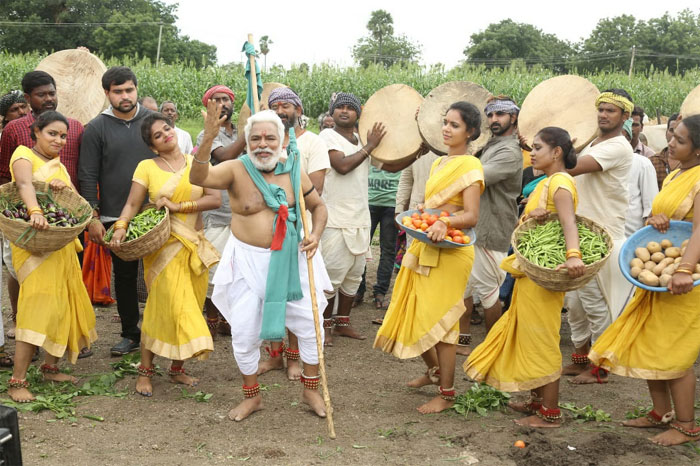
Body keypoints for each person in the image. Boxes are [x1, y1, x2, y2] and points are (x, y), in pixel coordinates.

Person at [190, 104, 331, 422]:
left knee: (311, 326)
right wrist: (209, 137)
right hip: (247, 263)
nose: (262, 144)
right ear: (247, 141)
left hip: (294, 260)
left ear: (282, 141)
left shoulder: (294, 170)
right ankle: (252, 396)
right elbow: (199, 176)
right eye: (255, 138)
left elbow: (318, 207)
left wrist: (317, 234)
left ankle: (310, 389)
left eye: (270, 138)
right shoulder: (235, 169)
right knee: (243, 332)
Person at [589, 114, 700, 446]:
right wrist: (658, 219)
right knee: (651, 343)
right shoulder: (677, 174)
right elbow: (667, 217)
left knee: (674, 353)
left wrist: (683, 269)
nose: (671, 143)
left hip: (684, 279)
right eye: (671, 136)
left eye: (680, 140)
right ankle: (659, 412)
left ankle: (686, 425)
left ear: (698, 151)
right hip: (660, 277)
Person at [465, 127, 584, 428]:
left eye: (539, 147)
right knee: (531, 337)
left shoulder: (559, 182)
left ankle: (550, 412)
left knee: (542, 339)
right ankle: (536, 400)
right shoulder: (545, 183)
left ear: (556, 152)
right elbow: (552, 224)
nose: (532, 153)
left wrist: (573, 256)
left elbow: (569, 224)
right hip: (530, 273)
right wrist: (532, 216)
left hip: (545, 277)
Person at [374, 101, 484, 414]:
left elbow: (472, 215)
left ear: (470, 132)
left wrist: (443, 221)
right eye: (445, 123)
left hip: (451, 251)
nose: (447, 129)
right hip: (426, 243)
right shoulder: (438, 163)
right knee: (412, 309)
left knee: (443, 322)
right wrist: (425, 214)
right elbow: (435, 207)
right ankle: (435, 372)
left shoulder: (471, 166)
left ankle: (447, 394)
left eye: (455, 125)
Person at [109, 113, 220, 396]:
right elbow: (133, 203)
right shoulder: (146, 166)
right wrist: (121, 227)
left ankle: (176, 368)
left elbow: (214, 199)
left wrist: (178, 206)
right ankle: (145, 371)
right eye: (158, 135)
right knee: (162, 307)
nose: (166, 135)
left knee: (192, 304)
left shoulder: (197, 164)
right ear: (153, 146)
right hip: (162, 248)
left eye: (167, 129)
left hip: (193, 245)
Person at [6, 111, 96, 403]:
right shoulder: (22, 155)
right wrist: (35, 211)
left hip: (60, 244)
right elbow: (24, 185)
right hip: (33, 244)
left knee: (60, 306)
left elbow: (70, 203)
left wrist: (62, 188)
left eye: (62, 136)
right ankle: (17, 380)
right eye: (52, 134)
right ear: (36, 132)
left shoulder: (59, 167)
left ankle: (50, 367)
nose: (59, 140)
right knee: (35, 308)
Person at [318, 92, 412, 345]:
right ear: (332, 113)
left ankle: (342, 323)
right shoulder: (327, 137)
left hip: (360, 218)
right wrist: (370, 145)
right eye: (340, 108)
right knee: (332, 275)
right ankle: (325, 327)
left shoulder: (361, 139)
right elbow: (342, 165)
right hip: (335, 219)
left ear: (359, 113)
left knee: (354, 275)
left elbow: (388, 166)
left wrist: (416, 152)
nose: (345, 111)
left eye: (351, 108)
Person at [1, 72, 85, 346]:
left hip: (60, 227)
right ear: (28, 98)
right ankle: (23, 334)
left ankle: (52, 354)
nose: (59, 139)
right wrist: (29, 210)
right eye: (41, 94)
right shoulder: (16, 134)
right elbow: (15, 179)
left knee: (58, 294)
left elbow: (77, 175)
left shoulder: (74, 127)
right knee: (27, 285)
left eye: (52, 92)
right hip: (27, 223)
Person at [79, 66, 154, 356]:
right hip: (114, 215)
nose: (125, 96)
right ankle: (131, 333)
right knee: (123, 277)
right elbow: (87, 174)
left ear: (136, 88)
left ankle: (161, 332)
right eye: (118, 91)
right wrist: (93, 217)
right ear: (107, 93)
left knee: (160, 274)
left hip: (154, 213)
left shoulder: (152, 121)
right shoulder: (96, 128)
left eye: (129, 90)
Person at [258, 87, 331, 380]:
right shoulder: (265, 144)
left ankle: (294, 359)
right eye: (275, 106)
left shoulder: (313, 142)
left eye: (287, 105)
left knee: (296, 297)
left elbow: (315, 191)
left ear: (298, 111)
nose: (281, 110)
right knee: (269, 295)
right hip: (266, 233)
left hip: (297, 230)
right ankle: (275, 357)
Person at [562, 89, 634, 384]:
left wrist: (550, 149)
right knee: (575, 301)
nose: (603, 115)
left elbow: (571, 166)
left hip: (601, 233)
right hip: (581, 231)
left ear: (625, 116)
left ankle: (600, 367)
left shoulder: (618, 146)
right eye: (601, 109)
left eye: (611, 111)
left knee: (594, 301)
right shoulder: (595, 141)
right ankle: (580, 358)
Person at [456, 96, 523, 356]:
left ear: (513, 118)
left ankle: (492, 348)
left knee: (489, 293)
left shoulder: (509, 151)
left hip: (491, 229)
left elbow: (475, 176)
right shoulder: (491, 144)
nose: (494, 120)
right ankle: (463, 341)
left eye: (501, 115)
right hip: (476, 228)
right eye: (491, 115)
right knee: (466, 288)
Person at [195, 85, 246, 339]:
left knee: (237, 272)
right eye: (216, 99)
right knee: (214, 271)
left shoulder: (240, 130)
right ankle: (212, 320)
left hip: (241, 212)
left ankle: (228, 319)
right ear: (208, 105)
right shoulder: (207, 134)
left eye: (226, 98)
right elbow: (224, 157)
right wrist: (247, 137)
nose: (222, 103)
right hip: (216, 214)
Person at [356, 164, 402, 310]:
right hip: (368, 202)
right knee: (360, 247)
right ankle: (358, 289)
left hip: (392, 203)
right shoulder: (369, 143)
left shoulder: (403, 147)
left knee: (388, 249)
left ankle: (380, 292)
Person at [622, 119, 658, 237]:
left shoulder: (642, 164)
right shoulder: (597, 164)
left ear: (628, 139)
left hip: (632, 238)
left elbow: (651, 208)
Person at [650, 114, 681, 191]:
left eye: (679, 131)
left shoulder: (692, 164)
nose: (675, 134)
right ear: (666, 133)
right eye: (671, 130)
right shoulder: (653, 162)